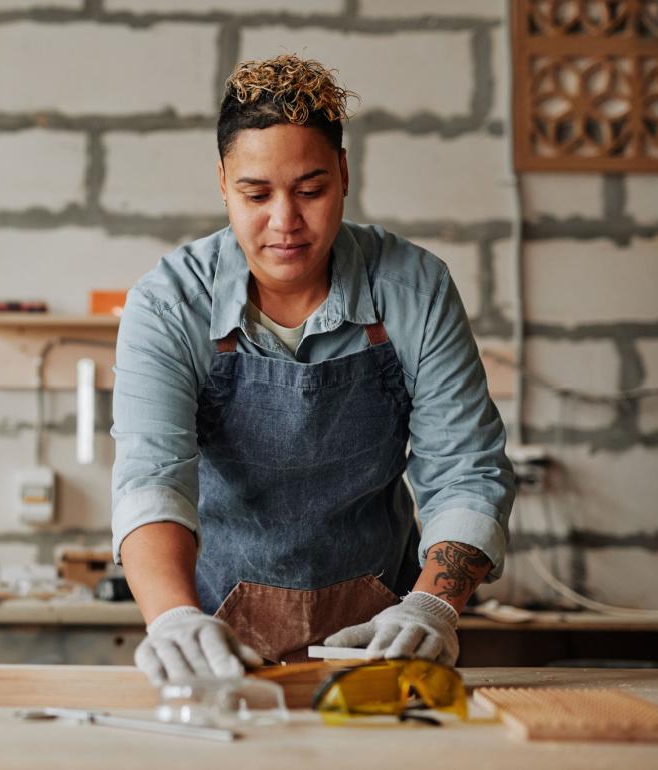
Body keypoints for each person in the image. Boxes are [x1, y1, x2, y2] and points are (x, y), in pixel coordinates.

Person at [110, 54, 515, 685]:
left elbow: (466, 467)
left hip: (386, 638)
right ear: (222, 182)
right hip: (219, 639)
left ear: (344, 175)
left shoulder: (414, 290)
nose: (285, 222)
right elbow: (152, 477)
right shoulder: (168, 304)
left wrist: (434, 606)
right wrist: (171, 620)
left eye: (310, 190)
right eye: (255, 193)